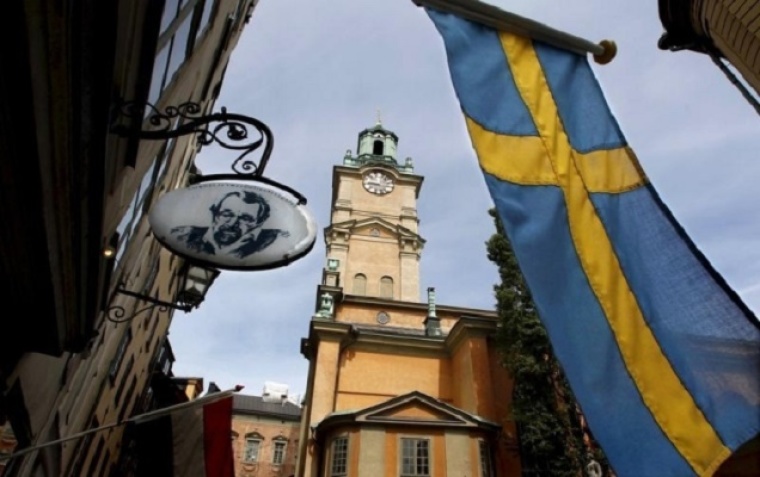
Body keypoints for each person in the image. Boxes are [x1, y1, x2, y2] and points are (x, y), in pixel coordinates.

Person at [170, 190, 289, 259]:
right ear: (215, 214)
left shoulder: (274, 241)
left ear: (258, 223)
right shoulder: (183, 235)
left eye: (245, 218)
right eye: (227, 214)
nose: (232, 223)